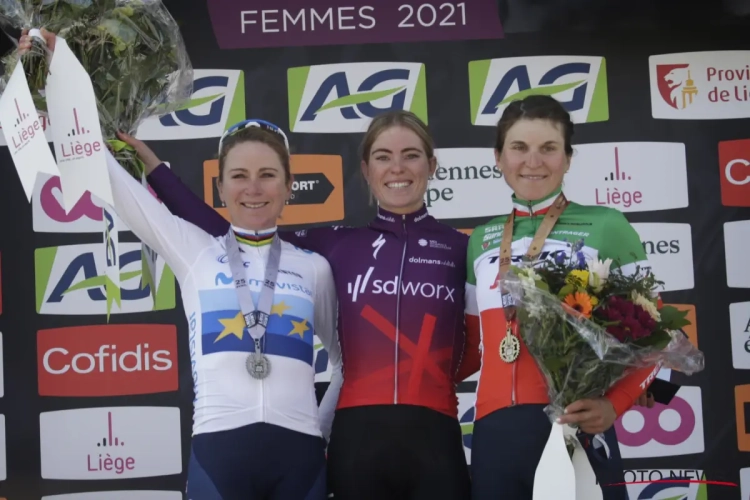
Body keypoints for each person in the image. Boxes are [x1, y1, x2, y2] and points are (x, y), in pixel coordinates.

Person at [22, 29, 344, 500]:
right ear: (220, 187)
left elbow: (342, 361)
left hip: (301, 459)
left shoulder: (314, 268)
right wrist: (58, 75)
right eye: (239, 176)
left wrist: (319, 429)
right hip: (218, 454)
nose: (253, 188)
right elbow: (109, 179)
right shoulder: (194, 250)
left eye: (267, 175)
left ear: (288, 186)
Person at [124, 110, 476, 499]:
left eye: (410, 155)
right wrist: (156, 171)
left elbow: (482, 344)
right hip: (358, 445)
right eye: (382, 156)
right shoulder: (336, 245)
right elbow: (235, 233)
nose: (397, 167)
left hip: (434, 438)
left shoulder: (465, 248)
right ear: (365, 169)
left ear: (432, 165)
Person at [462, 95, 658, 500]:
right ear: (498, 158)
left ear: (567, 159)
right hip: (494, 434)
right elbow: (469, 347)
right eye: (519, 147)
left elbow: (658, 336)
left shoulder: (606, 225)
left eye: (548, 148)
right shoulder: (480, 239)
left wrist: (614, 405)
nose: (533, 161)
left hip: (576, 423)